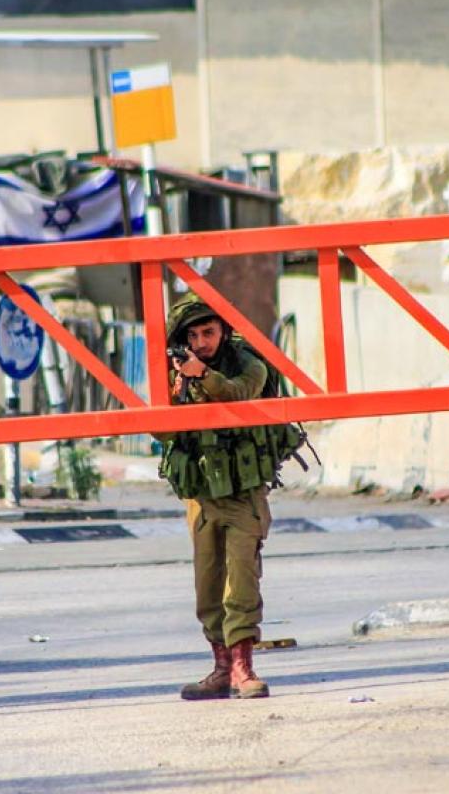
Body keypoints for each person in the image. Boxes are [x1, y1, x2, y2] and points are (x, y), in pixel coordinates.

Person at [159, 292, 275, 700]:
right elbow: (160, 431)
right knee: (208, 589)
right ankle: (222, 668)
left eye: (208, 332)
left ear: (223, 331)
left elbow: (239, 394)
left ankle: (244, 668)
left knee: (241, 583)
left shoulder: (249, 363)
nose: (201, 342)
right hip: (203, 497)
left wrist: (202, 376)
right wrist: (175, 389)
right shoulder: (177, 373)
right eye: (193, 336)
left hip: (243, 496)